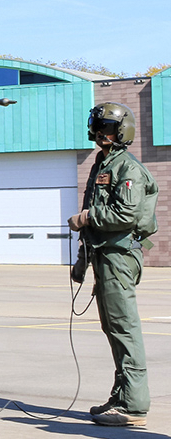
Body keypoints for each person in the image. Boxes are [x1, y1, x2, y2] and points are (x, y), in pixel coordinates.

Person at [68, 102, 158, 427]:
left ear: (121, 132)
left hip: (120, 257)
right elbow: (91, 219)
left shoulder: (127, 168)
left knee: (124, 328)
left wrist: (86, 217)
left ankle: (133, 405)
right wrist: (82, 261)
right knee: (113, 328)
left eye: (106, 128)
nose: (100, 133)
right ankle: (121, 397)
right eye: (98, 127)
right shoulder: (102, 164)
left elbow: (126, 215)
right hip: (104, 256)